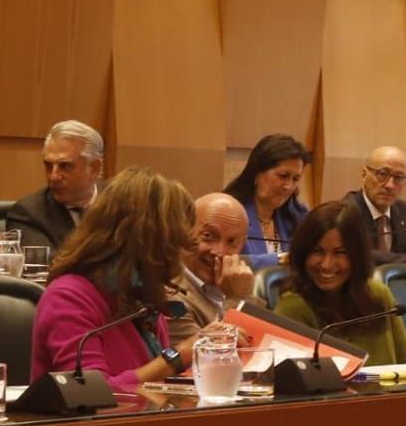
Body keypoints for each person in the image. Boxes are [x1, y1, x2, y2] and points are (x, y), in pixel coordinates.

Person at [30, 167, 196, 392]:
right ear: (148, 242)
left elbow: (158, 387)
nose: (179, 255)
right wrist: (178, 357)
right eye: (174, 243)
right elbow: (89, 393)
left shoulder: (142, 292)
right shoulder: (68, 297)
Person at [272, 200, 406, 368]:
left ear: (356, 255)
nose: (326, 264)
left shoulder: (378, 294)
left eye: (340, 253)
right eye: (317, 251)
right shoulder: (293, 306)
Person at [166, 192, 256, 347]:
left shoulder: (236, 280)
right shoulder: (171, 297)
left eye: (232, 241)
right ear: (184, 231)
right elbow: (210, 364)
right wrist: (236, 300)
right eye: (208, 236)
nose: (219, 251)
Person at [1, 119, 104, 252]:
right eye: (48, 166)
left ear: (94, 168)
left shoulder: (121, 206)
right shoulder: (29, 214)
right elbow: (51, 268)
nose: (53, 177)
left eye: (65, 166)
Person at [224, 133, 311, 267]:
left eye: (295, 179)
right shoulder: (229, 213)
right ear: (257, 173)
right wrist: (280, 260)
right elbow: (222, 260)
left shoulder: (298, 216)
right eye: (283, 176)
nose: (288, 186)